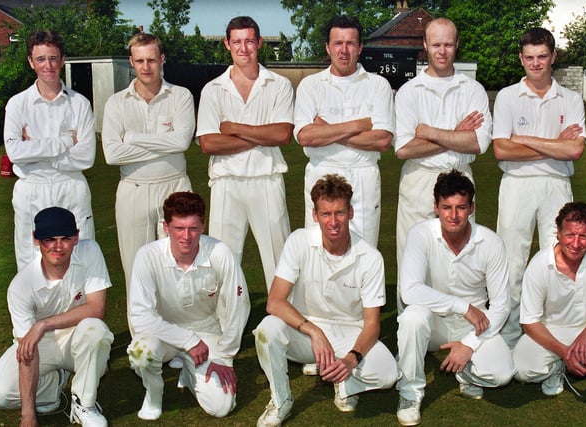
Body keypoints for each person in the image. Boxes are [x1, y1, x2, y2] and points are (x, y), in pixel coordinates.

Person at [253, 174, 400, 427]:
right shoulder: (299, 241)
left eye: (339, 213)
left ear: (351, 212)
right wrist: (314, 331)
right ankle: (281, 400)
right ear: (315, 215)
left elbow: (372, 324)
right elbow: (274, 302)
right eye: (325, 214)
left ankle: (344, 380)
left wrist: (351, 359)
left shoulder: (371, 257)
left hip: (349, 333)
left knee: (388, 374)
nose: (333, 222)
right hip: (307, 332)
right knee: (267, 329)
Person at [492, 27, 586, 348]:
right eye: (529, 57)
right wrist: (554, 144)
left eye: (542, 57)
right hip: (517, 185)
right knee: (512, 262)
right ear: (521, 58)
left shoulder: (571, 99)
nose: (536, 63)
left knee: (557, 261)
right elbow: (501, 150)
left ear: (553, 57)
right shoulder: (507, 96)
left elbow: (573, 150)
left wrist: (526, 140)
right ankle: (507, 339)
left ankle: (552, 341)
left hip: (556, 184)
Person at [396, 170, 513, 426]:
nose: (453, 215)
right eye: (446, 207)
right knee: (412, 317)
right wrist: (463, 306)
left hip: (474, 325)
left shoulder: (491, 242)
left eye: (461, 207)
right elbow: (410, 290)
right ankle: (409, 393)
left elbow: (502, 306)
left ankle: (466, 372)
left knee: (501, 374)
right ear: (435, 207)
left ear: (471, 207)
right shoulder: (420, 234)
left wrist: (469, 343)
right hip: (432, 323)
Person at [394, 17, 492, 312]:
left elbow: (478, 143)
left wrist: (429, 131)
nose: (442, 51)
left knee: (461, 255)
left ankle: (463, 326)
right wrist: (456, 132)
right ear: (425, 45)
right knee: (412, 256)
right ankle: (410, 326)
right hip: (419, 179)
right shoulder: (410, 91)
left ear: (456, 45)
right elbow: (402, 149)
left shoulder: (472, 89)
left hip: (460, 177)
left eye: (448, 44)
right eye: (436, 44)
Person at [127, 192, 250, 420]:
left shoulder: (219, 252)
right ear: (166, 227)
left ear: (203, 225)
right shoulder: (147, 256)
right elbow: (140, 316)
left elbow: (238, 306)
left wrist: (225, 356)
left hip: (206, 332)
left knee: (221, 407)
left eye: (193, 228)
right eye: (179, 229)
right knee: (140, 352)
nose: (186, 237)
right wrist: (187, 341)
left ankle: (190, 371)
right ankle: (154, 394)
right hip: (163, 332)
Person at [0, 207, 113, 427]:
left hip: (77, 334)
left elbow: (96, 309)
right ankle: (53, 384)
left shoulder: (90, 251)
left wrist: (43, 323)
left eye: (65, 238)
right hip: (41, 344)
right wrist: (28, 416)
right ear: (36, 240)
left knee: (96, 331)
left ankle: (84, 403)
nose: (58, 247)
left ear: (76, 237)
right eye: (49, 239)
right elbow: (28, 350)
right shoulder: (21, 286)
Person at [197, 16, 293, 291]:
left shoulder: (279, 84)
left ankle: (283, 329)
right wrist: (261, 135)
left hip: (267, 179)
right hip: (226, 182)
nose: (243, 48)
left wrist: (235, 129)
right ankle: (227, 331)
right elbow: (209, 144)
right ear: (227, 44)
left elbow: (282, 135)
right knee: (223, 263)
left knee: (279, 262)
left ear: (259, 43)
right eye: (236, 41)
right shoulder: (213, 89)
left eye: (249, 41)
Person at [513, 202, 586, 423]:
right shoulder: (539, 265)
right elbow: (529, 322)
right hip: (556, 334)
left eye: (584, 236)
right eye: (569, 235)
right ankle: (555, 366)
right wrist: (565, 352)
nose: (576, 243)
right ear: (558, 233)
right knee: (522, 368)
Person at [102, 33, 195, 312]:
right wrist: (163, 145)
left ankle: (181, 342)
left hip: (176, 187)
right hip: (134, 189)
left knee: (179, 268)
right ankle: (142, 345)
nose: (146, 67)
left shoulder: (180, 96)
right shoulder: (116, 103)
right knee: (136, 271)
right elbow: (112, 154)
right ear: (131, 62)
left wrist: (132, 137)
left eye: (152, 60)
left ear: (162, 59)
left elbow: (181, 142)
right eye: (140, 61)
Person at [294, 15, 394, 247]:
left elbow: (382, 140)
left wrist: (326, 131)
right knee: (318, 250)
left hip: (363, 175)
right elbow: (305, 136)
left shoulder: (378, 85)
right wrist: (359, 125)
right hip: (321, 172)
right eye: (338, 43)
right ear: (328, 47)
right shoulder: (310, 85)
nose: (344, 50)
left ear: (360, 48)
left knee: (364, 250)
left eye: (350, 43)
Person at [4, 29, 96, 271]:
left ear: (63, 59)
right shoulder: (17, 104)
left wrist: (34, 151)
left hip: (71, 187)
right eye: (41, 59)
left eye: (53, 58)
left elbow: (86, 157)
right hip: (32, 189)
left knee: (80, 260)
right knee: (31, 264)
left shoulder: (80, 103)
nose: (48, 65)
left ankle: (79, 310)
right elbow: (14, 153)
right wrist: (65, 142)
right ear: (31, 62)